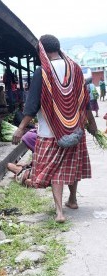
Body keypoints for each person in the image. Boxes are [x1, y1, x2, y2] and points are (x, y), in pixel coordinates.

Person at [12, 34, 98, 223]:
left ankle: (59, 212)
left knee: (57, 171)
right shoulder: (75, 69)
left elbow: (32, 104)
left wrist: (20, 128)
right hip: (74, 129)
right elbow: (83, 100)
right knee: (71, 167)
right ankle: (73, 200)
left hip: (50, 132)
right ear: (57, 48)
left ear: (41, 50)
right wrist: (92, 124)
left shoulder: (42, 72)